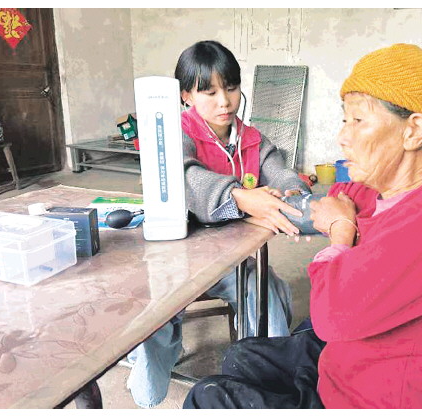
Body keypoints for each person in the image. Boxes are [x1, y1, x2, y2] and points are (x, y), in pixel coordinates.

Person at [183, 43, 422, 409]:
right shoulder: (389, 190)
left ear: (413, 131)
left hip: (373, 399)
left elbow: (331, 315)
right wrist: (248, 204)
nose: (343, 136)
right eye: (344, 121)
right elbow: (335, 198)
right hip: (352, 362)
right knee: (243, 354)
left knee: (208, 397)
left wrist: (341, 231)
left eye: (357, 121)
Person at [126, 40, 311, 408]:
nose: (224, 102)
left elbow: (283, 175)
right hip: (173, 258)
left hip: (229, 260)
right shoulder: (172, 132)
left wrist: (293, 196)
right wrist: (241, 198)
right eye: (208, 92)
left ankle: (268, 378)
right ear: (186, 96)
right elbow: (183, 177)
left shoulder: (252, 139)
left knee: (267, 290)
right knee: (153, 314)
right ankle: (148, 390)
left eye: (231, 87)